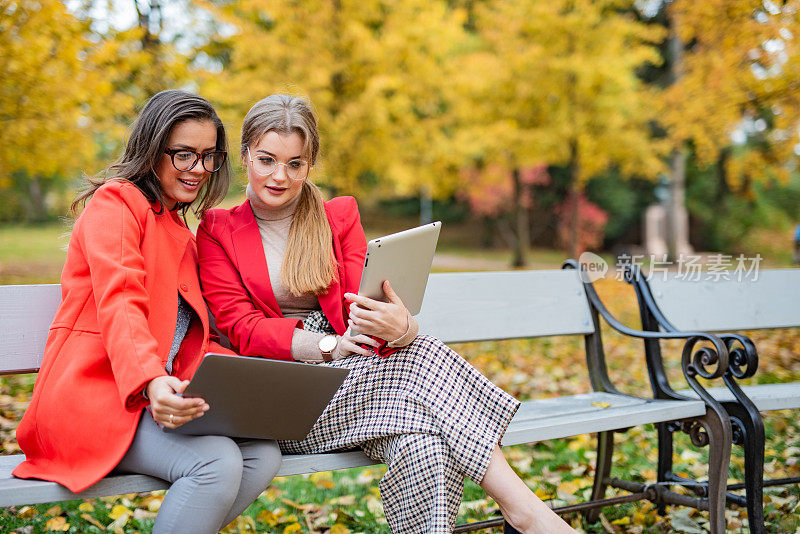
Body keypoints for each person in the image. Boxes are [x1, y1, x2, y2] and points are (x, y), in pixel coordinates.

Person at [196, 94, 575, 534]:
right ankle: (527, 513)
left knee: (424, 444)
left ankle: (523, 515)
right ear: (244, 155)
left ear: (310, 164)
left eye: (295, 164)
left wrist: (402, 327)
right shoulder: (216, 230)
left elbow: (366, 302)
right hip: (282, 388)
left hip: (364, 378)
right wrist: (325, 346)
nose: (281, 176)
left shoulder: (337, 217)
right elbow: (242, 328)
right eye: (267, 160)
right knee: (418, 359)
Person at [13, 90, 282, 534]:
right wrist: (152, 380)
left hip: (154, 401)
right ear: (152, 149)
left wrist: (257, 382)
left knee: (262, 454)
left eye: (208, 156)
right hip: (94, 400)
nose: (198, 169)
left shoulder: (177, 226)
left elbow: (194, 336)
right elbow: (121, 300)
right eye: (183, 155)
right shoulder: (117, 204)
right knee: (215, 463)